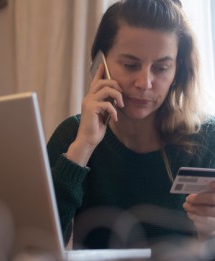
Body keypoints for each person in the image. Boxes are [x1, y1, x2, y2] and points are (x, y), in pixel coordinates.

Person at [47, 0, 215, 250]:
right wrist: (82, 149)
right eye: (130, 65)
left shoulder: (206, 139)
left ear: (177, 71)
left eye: (161, 68)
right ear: (99, 65)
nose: (145, 82)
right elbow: (38, 245)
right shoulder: (72, 137)